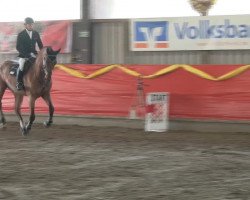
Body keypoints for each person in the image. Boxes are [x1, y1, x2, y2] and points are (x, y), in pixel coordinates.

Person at [16, 17, 43, 90]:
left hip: (34, 54)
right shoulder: (21, 34)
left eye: (32, 24)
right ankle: (19, 83)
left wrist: (42, 52)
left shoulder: (36, 33)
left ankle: (42, 81)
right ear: (25, 25)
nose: (31, 26)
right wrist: (26, 55)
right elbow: (18, 47)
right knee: (21, 66)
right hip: (24, 55)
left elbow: (40, 44)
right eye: (30, 25)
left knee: (42, 65)